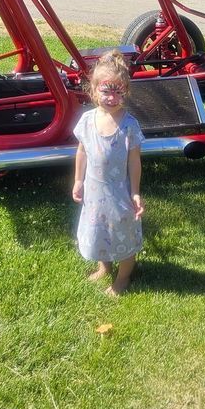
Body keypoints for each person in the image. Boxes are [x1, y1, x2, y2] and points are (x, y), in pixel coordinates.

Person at [72, 50, 145, 296]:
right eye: (106, 91)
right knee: (98, 230)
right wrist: (78, 180)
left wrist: (135, 193)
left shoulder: (129, 125)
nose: (112, 98)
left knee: (122, 232)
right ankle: (104, 266)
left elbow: (135, 162)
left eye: (118, 92)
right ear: (93, 91)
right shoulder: (86, 121)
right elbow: (82, 152)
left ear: (126, 91)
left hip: (119, 193)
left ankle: (123, 277)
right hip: (94, 191)